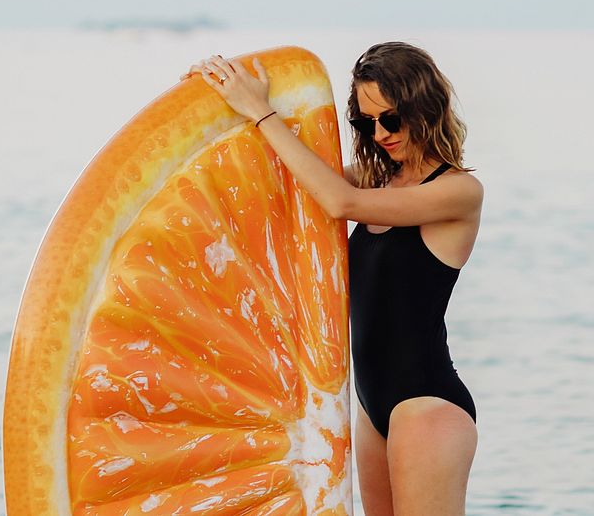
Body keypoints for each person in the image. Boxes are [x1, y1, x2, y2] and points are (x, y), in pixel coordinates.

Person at [184, 42, 481, 516]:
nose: (380, 133)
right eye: (366, 123)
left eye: (391, 119)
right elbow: (292, 183)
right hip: (372, 409)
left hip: (428, 409)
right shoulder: (376, 178)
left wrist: (261, 113)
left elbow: (340, 204)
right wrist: (226, 98)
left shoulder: (458, 192)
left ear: (424, 108)